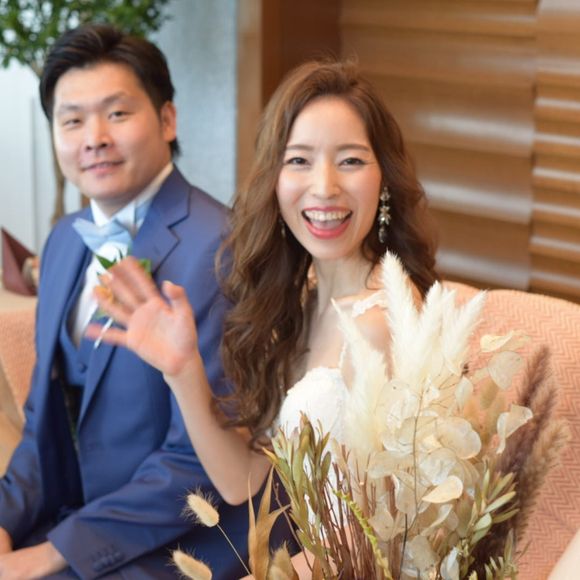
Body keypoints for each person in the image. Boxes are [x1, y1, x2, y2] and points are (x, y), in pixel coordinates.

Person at [91, 60, 438, 575]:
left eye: (350, 160)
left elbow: (376, 538)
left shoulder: (380, 323)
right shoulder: (307, 298)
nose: (324, 187)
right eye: (299, 160)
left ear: (383, 177)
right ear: (274, 179)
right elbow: (243, 481)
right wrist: (183, 371)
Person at [0, 23, 270, 579]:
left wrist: (47, 556)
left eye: (117, 113)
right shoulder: (64, 239)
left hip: (185, 542)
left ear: (168, 120)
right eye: (72, 120)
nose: (94, 137)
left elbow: (196, 460)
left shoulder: (222, 250)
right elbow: (43, 421)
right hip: (76, 522)